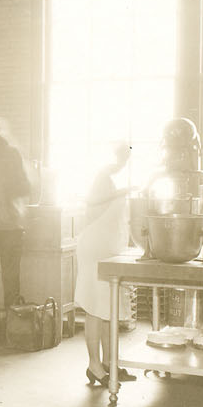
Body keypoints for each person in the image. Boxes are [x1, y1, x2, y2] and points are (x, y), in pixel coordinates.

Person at [73, 139, 137, 387]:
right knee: (95, 308)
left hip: (108, 250)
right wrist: (123, 191)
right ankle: (94, 365)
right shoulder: (102, 176)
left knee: (109, 308)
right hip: (94, 250)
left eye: (127, 158)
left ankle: (110, 363)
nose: (124, 162)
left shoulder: (112, 178)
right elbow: (93, 200)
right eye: (122, 156)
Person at [0, 118, 32, 344]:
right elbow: (25, 187)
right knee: (11, 279)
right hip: (11, 225)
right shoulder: (12, 153)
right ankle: (13, 332)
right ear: (0, 130)